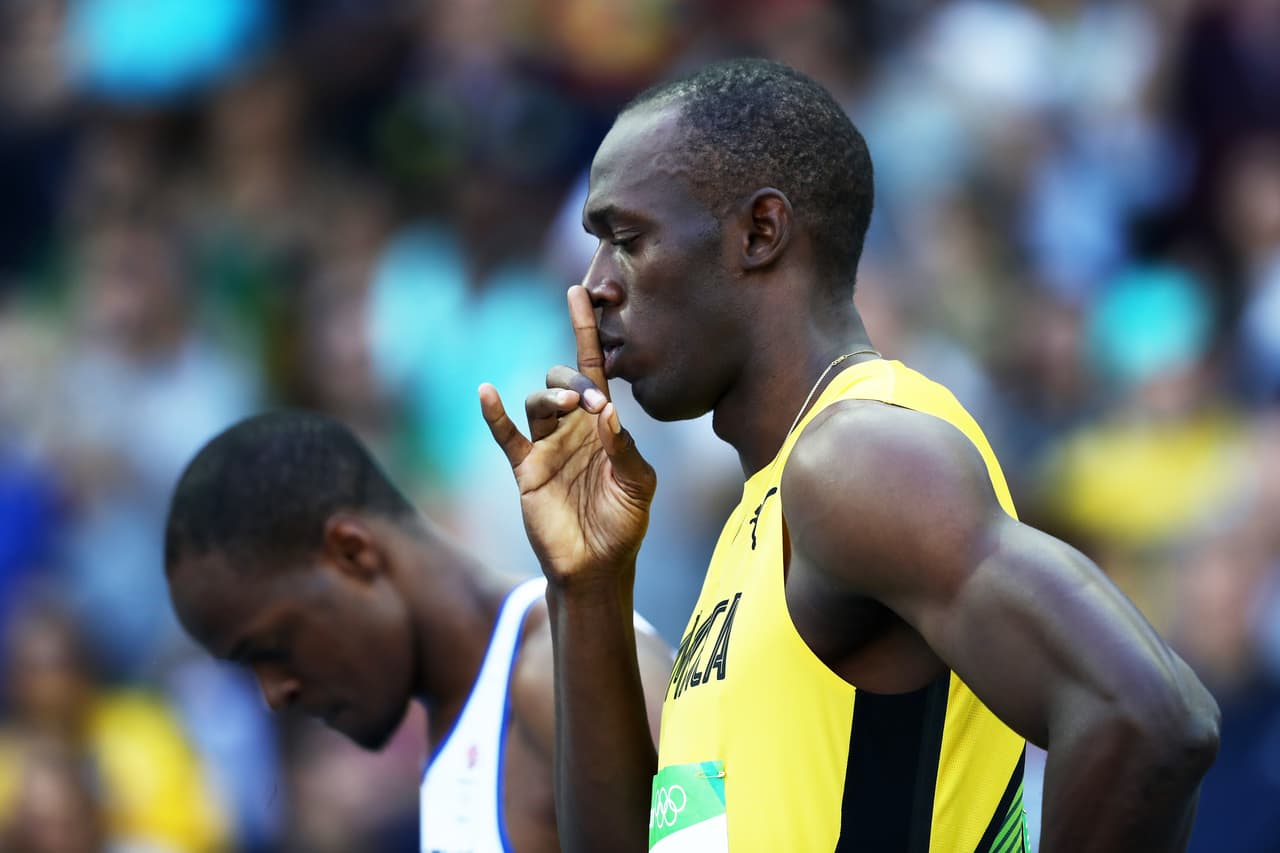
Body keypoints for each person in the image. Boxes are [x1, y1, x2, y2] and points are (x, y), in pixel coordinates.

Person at [478, 58, 1221, 853]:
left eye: (626, 241)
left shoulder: (861, 456)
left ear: (760, 232)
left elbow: (1151, 716)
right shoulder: (760, 515)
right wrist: (587, 586)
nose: (592, 286)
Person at [162, 410, 673, 853]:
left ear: (352, 553)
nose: (274, 693)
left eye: (271, 649)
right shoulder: (460, 711)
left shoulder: (557, 671)